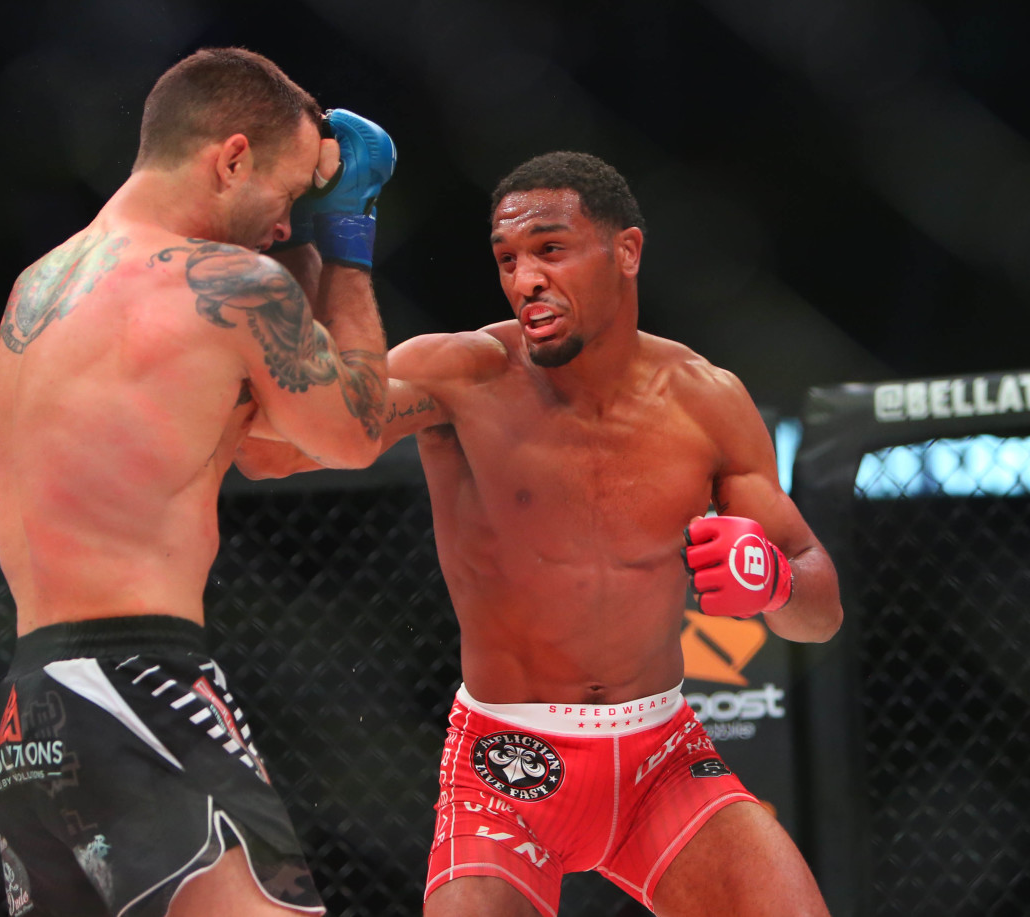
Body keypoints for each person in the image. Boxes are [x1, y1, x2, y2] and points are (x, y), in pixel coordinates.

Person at [238, 151, 843, 917]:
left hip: (662, 757)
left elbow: (821, 610)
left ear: (626, 251)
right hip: (504, 765)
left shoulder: (706, 401)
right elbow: (269, 451)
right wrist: (326, 249)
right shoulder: (461, 375)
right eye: (507, 259)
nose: (526, 280)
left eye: (550, 250)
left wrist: (777, 580)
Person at [0, 46, 397, 917]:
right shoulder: (231, 284)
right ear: (232, 157)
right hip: (143, 684)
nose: (286, 224)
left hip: (31, 711)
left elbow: (254, 434)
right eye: (286, 195)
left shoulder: (37, 288)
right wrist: (347, 231)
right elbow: (352, 430)